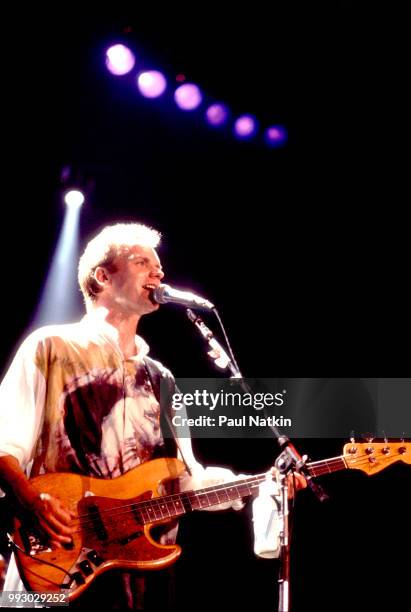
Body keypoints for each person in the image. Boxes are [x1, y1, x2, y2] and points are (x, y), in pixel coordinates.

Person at [0, 222, 305, 610]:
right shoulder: (50, 347)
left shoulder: (160, 378)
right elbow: (2, 444)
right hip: (54, 562)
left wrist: (263, 483)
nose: (158, 272)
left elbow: (185, 480)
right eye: (142, 262)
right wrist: (31, 500)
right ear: (103, 276)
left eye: (159, 266)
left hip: (137, 583)